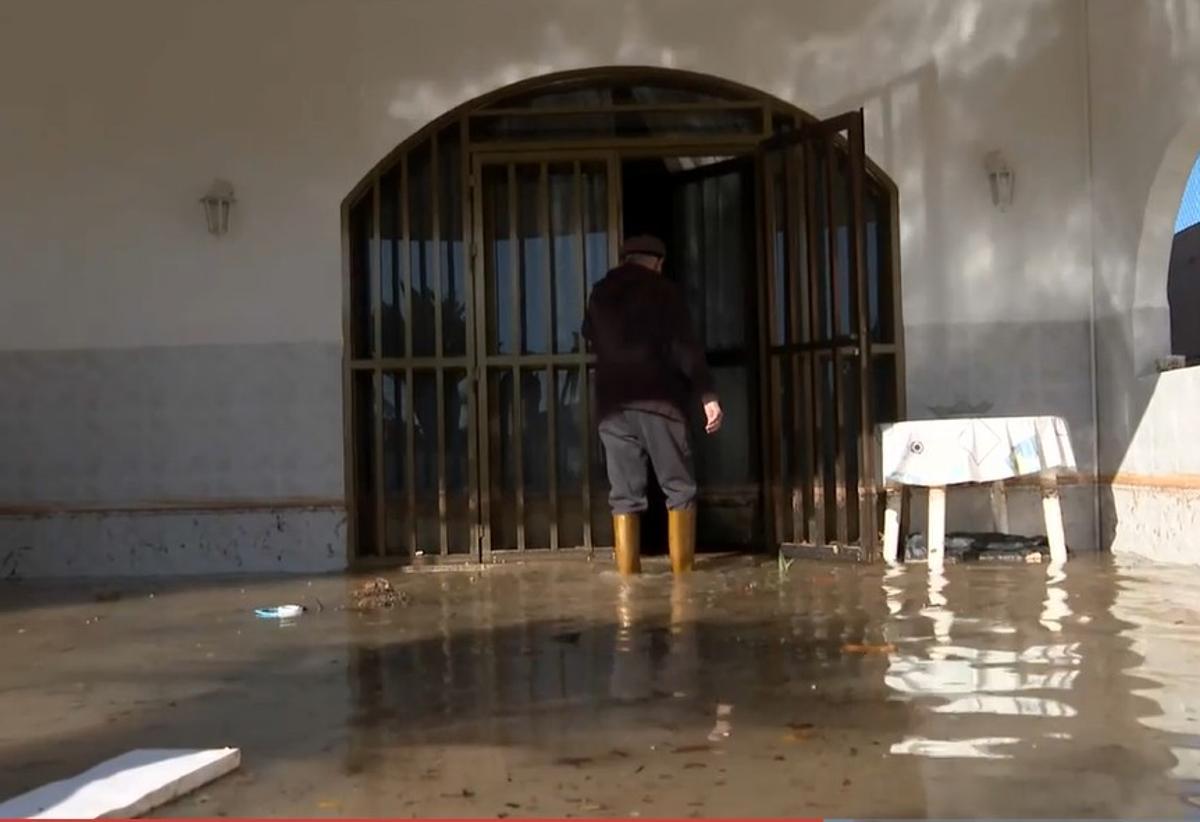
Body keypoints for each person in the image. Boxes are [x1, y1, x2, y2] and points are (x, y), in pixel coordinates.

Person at [582, 235, 723, 575]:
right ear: (658, 263)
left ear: (625, 259)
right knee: (679, 488)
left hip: (612, 406)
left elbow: (589, 334)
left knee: (624, 495)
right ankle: (683, 582)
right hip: (658, 401)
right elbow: (685, 347)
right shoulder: (664, 292)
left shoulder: (600, 291)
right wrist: (707, 395)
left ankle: (628, 592)